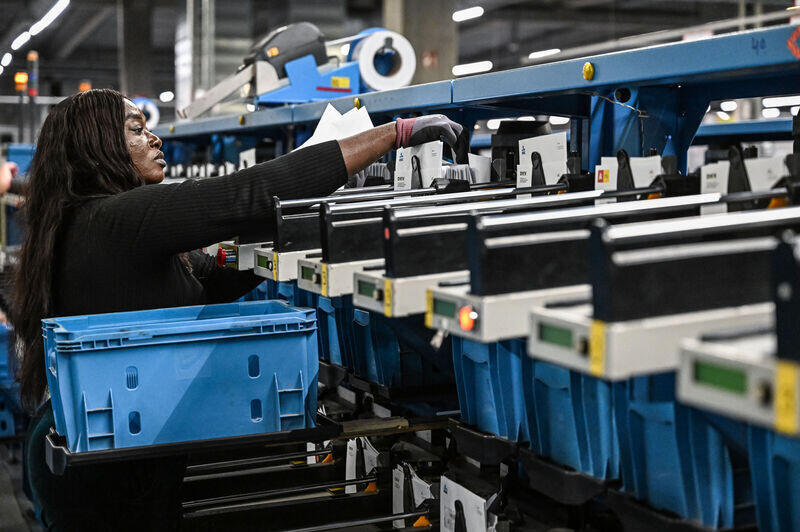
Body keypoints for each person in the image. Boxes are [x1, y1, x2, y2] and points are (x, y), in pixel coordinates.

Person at [11, 88, 463, 530]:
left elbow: (213, 278)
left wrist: (310, 216)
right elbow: (245, 194)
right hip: (99, 471)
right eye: (136, 129)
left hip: (114, 444)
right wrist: (392, 135)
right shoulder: (115, 219)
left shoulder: (93, 223)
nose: (154, 139)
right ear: (97, 147)